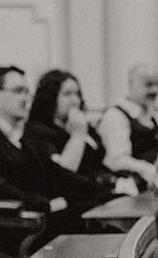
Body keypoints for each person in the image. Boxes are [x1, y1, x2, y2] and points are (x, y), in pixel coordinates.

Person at [0, 65, 97, 239]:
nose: (25, 99)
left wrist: (98, 189)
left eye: (27, 92)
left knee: (94, 207)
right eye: (18, 91)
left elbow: (52, 173)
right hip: (9, 225)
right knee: (91, 220)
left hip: (34, 214)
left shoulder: (17, 134)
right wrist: (46, 204)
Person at [26, 69, 115, 202]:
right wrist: (77, 136)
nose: (75, 100)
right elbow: (65, 172)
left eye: (77, 94)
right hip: (71, 198)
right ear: (51, 97)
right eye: (67, 94)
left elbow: (98, 159)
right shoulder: (38, 132)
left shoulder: (84, 125)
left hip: (97, 189)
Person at [98, 63, 158, 191]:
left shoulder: (154, 116)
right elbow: (117, 160)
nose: (154, 90)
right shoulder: (116, 115)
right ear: (131, 85)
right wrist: (148, 169)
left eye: (156, 85)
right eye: (148, 85)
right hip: (129, 188)